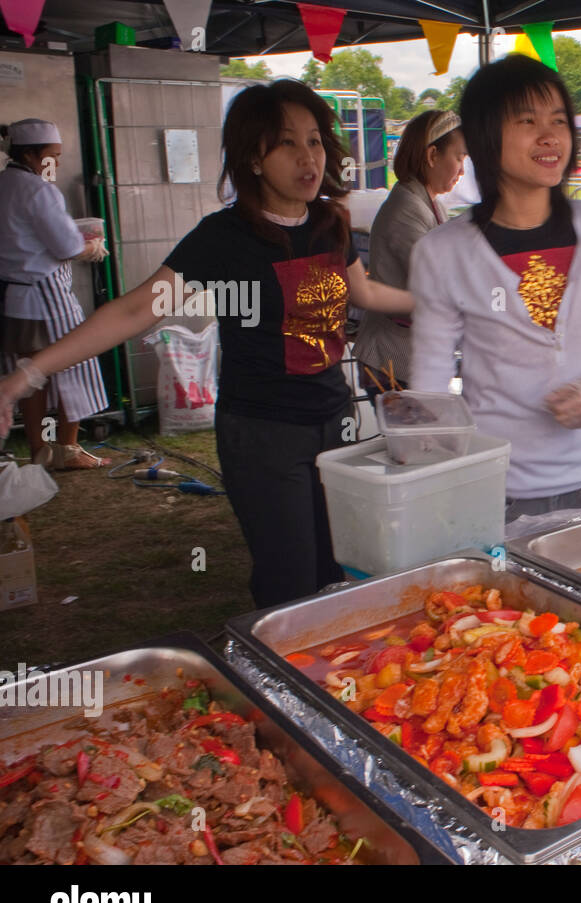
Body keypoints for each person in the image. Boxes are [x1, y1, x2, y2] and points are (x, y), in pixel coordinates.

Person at [0, 81, 414, 608]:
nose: (308, 157)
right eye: (287, 143)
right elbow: (133, 309)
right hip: (264, 432)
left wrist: (437, 302)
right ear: (254, 158)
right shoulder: (224, 237)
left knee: (343, 565)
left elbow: (365, 291)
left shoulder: (330, 223)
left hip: (338, 421)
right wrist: (25, 376)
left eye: (314, 140)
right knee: (289, 579)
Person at [407, 54, 581, 524]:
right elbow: (431, 382)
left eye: (559, 120)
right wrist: (429, 476)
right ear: (485, 138)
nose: (550, 136)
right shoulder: (444, 252)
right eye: (527, 121)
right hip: (496, 490)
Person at [0, 118, 112, 470]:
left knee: (30, 376)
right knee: (73, 366)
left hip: (13, 297)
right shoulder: (39, 190)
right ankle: (67, 447)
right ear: (31, 155)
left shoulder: (3, 183)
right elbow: (65, 244)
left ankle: (39, 452)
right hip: (47, 296)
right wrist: (90, 247)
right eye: (52, 156)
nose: (57, 163)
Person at [352, 109, 466, 393]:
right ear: (432, 156)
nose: (462, 170)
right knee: (414, 438)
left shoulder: (431, 203)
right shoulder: (406, 210)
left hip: (412, 358)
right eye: (459, 158)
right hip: (391, 361)